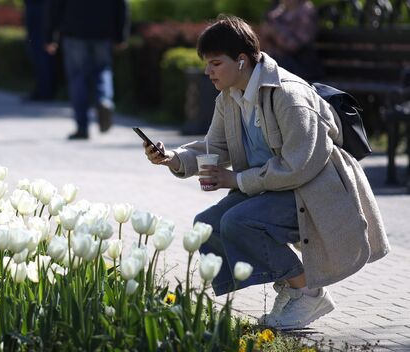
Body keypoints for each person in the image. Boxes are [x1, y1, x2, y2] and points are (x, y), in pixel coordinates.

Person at [142, 15, 390, 330]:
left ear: (242, 61)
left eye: (216, 63)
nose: (208, 72)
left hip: (312, 192)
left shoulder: (290, 96)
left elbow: (299, 165)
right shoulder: (229, 97)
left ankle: (308, 292)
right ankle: (291, 287)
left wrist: (236, 180)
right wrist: (173, 158)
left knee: (238, 221)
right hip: (272, 189)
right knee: (207, 225)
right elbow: (215, 148)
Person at [45, 0, 129, 140]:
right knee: (103, 70)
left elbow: (55, 5)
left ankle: (82, 127)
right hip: (103, 30)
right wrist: (121, 35)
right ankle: (104, 99)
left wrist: (50, 36)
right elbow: (121, 4)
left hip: (74, 30)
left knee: (78, 78)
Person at [259, 0, 324, 81]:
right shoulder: (279, 11)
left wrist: (275, 33)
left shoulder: (306, 12)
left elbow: (294, 46)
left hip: (301, 66)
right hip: (280, 64)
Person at [23, 0, 55, 101]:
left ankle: (44, 90)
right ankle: (43, 89)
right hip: (42, 8)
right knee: (39, 51)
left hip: (38, 7)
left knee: (39, 51)